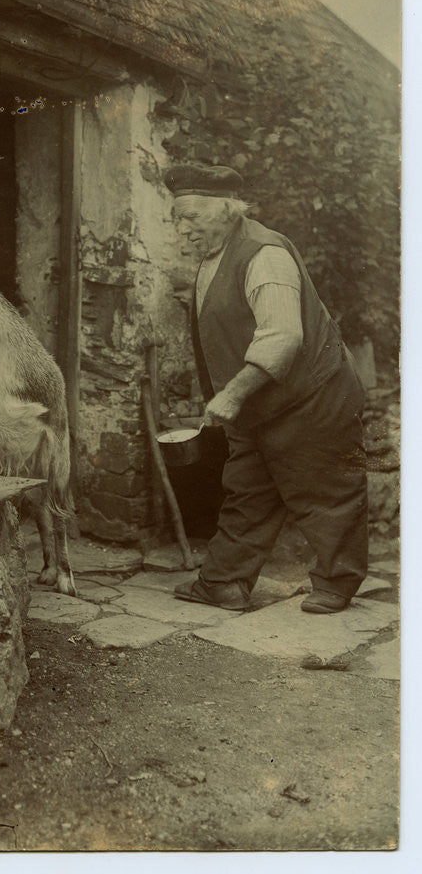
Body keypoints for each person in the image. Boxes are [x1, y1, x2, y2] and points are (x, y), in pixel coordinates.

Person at [166, 162, 368, 614]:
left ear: (227, 209)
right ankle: (222, 583)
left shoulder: (264, 254)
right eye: (176, 217)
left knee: (327, 491)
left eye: (191, 216)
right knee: (247, 490)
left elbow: (282, 337)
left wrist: (232, 394)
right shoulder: (213, 257)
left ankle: (337, 585)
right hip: (262, 403)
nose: (182, 228)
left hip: (314, 397)